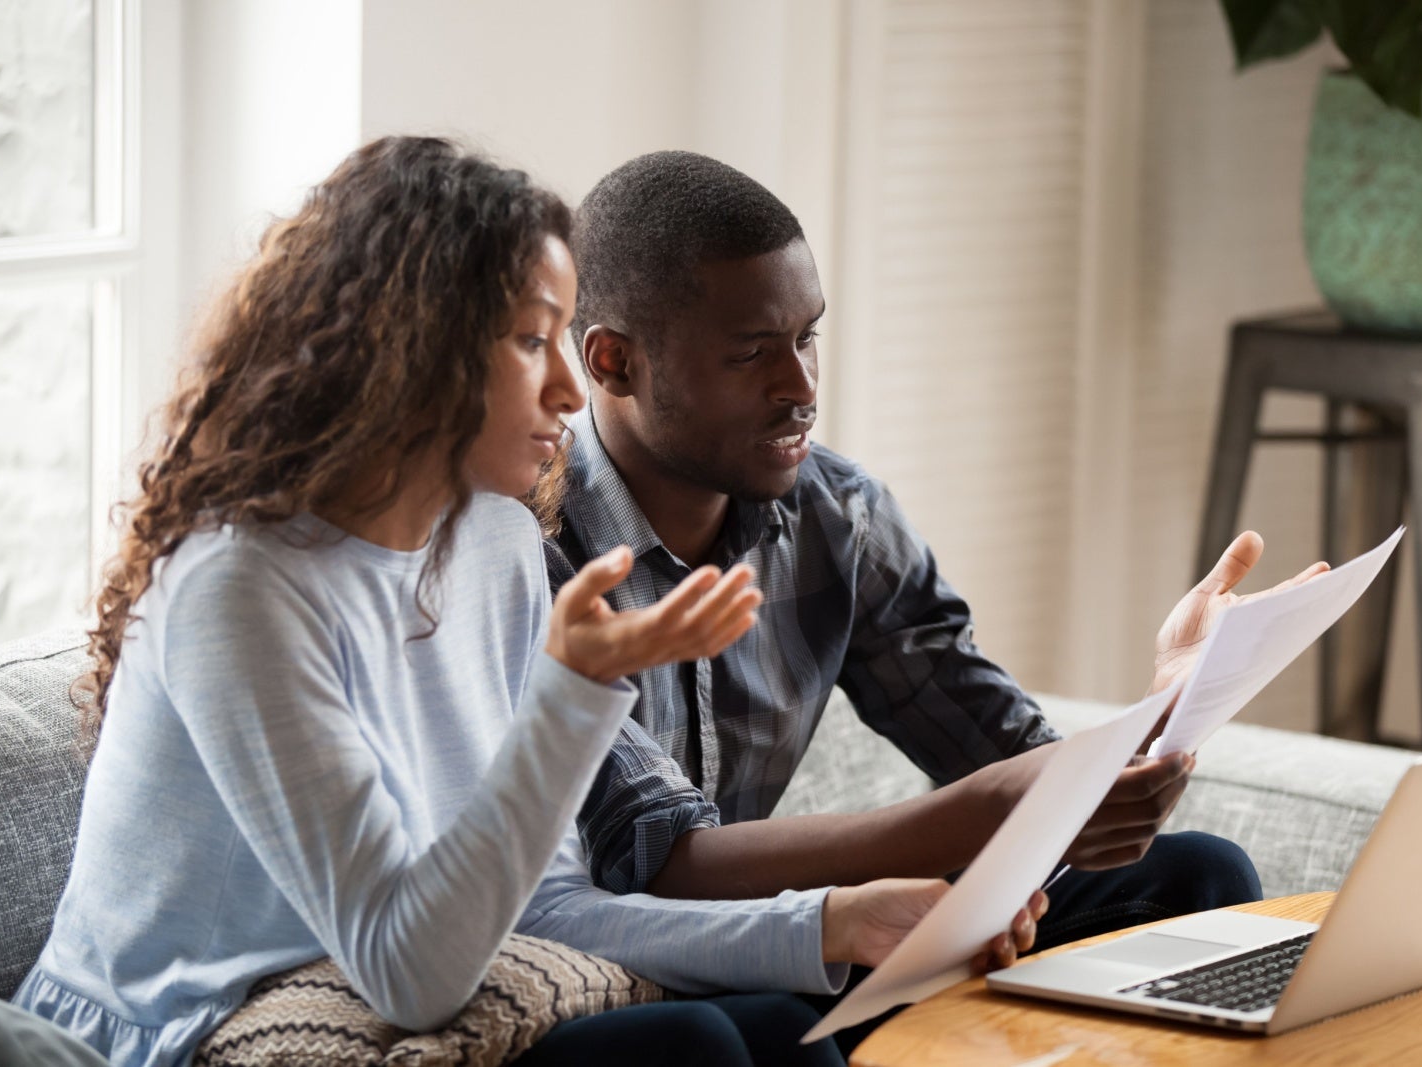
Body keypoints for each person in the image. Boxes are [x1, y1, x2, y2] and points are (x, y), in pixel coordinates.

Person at [11, 136, 925, 1067]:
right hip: (181, 1029)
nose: (571, 389)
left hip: (380, 997)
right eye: (534, 341)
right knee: (688, 1045)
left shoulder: (493, 544)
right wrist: (574, 689)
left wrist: (831, 921)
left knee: (785, 1019)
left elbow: (545, 910)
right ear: (412, 348)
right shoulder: (239, 589)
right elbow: (409, 970)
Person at [518, 150, 1327, 1049]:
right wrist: (998, 809)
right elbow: (659, 867)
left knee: (1198, 876)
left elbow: (1011, 755)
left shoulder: (837, 515)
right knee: (766, 1029)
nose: (801, 387)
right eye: (752, 354)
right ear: (615, 362)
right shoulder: (530, 550)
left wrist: (1176, 696)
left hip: (811, 930)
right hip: (634, 963)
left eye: (808, 337)